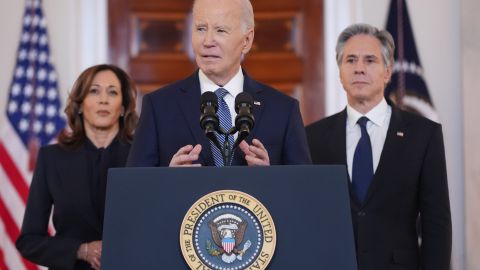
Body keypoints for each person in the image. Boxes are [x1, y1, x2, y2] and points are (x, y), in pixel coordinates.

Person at [306, 24, 451, 270]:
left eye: (370, 60)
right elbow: (306, 215)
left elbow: (436, 223)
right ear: (340, 72)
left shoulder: (424, 135)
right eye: (350, 60)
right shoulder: (313, 137)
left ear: (387, 71)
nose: (359, 68)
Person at [127, 0, 311, 167]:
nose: (207, 41)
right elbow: (135, 192)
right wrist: (168, 180)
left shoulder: (283, 110)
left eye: (220, 30)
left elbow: (302, 192)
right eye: (200, 29)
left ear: (246, 41)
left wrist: (270, 179)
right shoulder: (158, 106)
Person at [16, 64, 138, 270]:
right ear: (80, 105)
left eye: (113, 92)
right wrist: (81, 250)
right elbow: (28, 241)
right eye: (94, 91)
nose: (103, 100)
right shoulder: (51, 158)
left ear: (123, 108)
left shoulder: (142, 156)